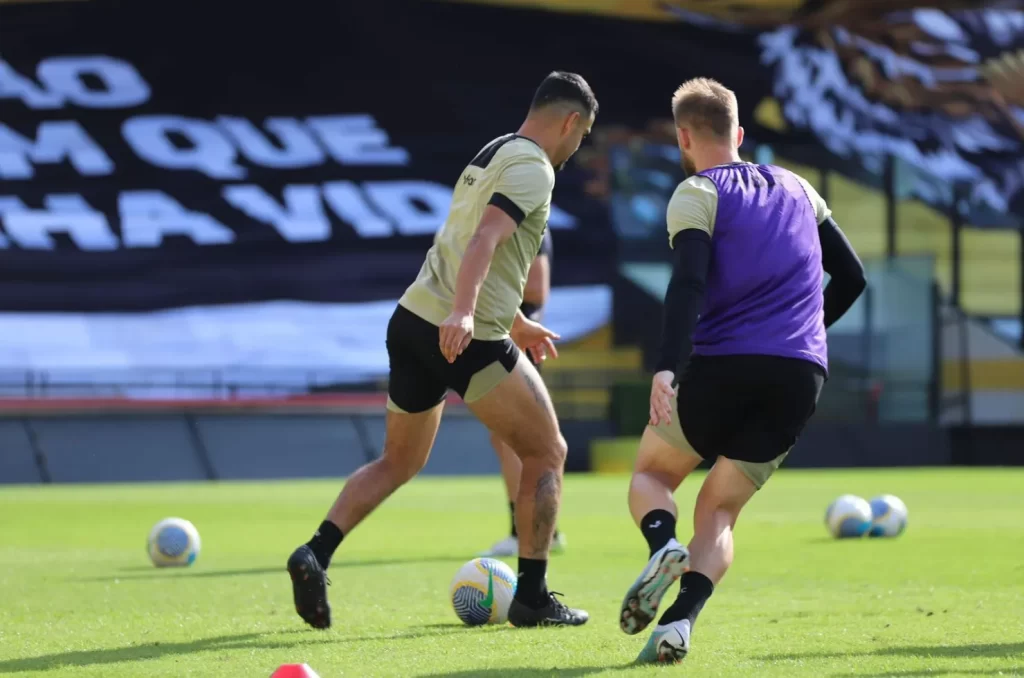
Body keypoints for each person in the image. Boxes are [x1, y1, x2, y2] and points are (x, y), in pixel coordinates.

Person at [286, 71, 597, 630]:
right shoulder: (534, 167)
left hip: (411, 320)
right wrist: (466, 313)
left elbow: (464, 243)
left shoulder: (492, 152)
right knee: (547, 451)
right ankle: (532, 596)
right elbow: (484, 240)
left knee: (399, 462)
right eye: (583, 134)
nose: (579, 147)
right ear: (571, 121)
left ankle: (316, 550)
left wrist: (516, 319)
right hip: (463, 331)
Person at [618, 78, 866, 663]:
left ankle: (661, 545)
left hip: (724, 363)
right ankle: (680, 622)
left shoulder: (697, 193)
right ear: (740, 133)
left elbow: (689, 283)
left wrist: (664, 368)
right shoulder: (802, 189)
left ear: (683, 138)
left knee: (652, 475)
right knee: (721, 511)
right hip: (799, 375)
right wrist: (803, 334)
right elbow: (853, 277)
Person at [481, 228, 568, 558]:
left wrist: (485, 275)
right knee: (506, 437)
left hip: (518, 339)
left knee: (524, 440)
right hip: (501, 336)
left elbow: (536, 289)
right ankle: (540, 529)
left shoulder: (530, 221)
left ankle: (527, 532)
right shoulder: (510, 217)